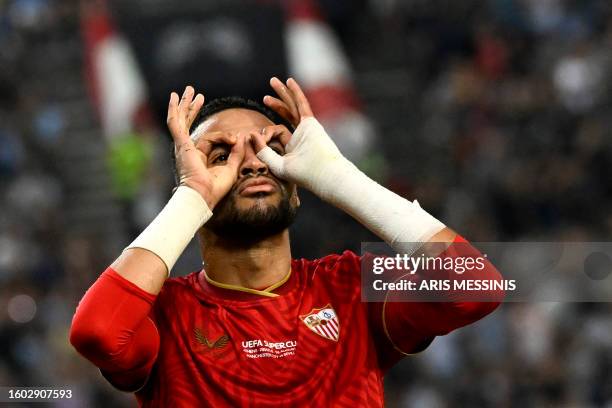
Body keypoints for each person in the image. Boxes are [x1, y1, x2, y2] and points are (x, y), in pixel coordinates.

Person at [70, 77, 504, 407]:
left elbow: (475, 288)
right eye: (220, 156)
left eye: (269, 149)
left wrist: (341, 178)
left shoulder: (351, 285)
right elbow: (98, 333)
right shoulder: (165, 314)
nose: (252, 163)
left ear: (296, 183)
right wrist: (195, 195)